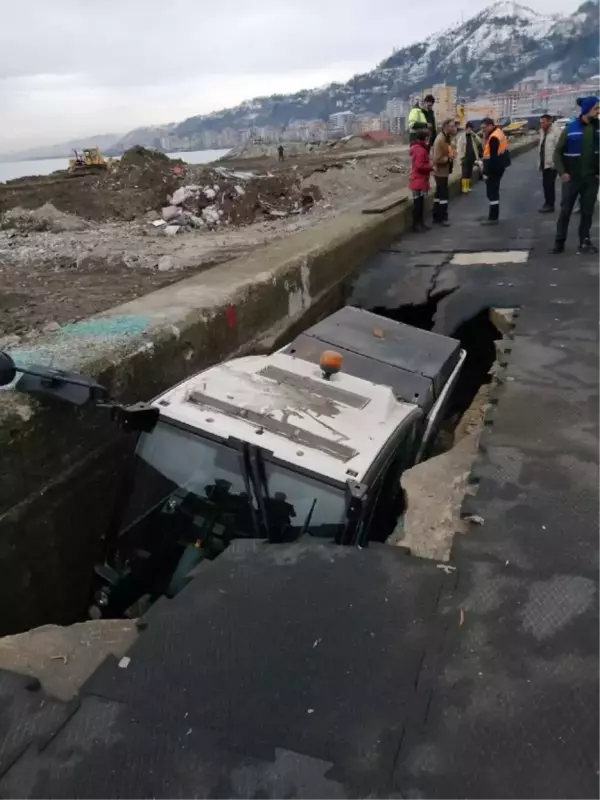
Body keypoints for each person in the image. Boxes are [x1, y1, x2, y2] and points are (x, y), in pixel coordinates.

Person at [552, 96, 600, 254]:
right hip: (572, 178)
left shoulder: (598, 128)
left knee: (587, 211)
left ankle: (584, 241)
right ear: (587, 110)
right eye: (596, 108)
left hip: (591, 178)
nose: (598, 111)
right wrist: (562, 172)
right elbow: (557, 153)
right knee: (565, 210)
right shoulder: (570, 128)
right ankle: (559, 242)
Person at [479, 117, 509, 225]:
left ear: (490, 125)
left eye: (484, 127)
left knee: (491, 193)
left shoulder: (493, 138)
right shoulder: (499, 132)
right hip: (500, 166)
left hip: (494, 168)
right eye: (481, 128)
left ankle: (493, 217)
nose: (483, 130)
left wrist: (486, 173)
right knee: (494, 192)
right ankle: (493, 215)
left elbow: (492, 158)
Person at [431, 119, 456, 226]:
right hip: (440, 172)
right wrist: (448, 158)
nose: (453, 128)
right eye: (451, 126)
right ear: (446, 126)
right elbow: (436, 159)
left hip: (444, 171)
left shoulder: (447, 138)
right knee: (443, 196)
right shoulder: (440, 139)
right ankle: (442, 218)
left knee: (439, 194)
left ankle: (437, 216)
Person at [409, 129, 433, 232]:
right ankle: (417, 225)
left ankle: (419, 224)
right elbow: (419, 166)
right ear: (426, 138)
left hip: (418, 179)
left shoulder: (417, 148)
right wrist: (430, 167)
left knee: (419, 202)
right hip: (419, 180)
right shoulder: (421, 150)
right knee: (418, 204)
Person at [538, 113, 561, 213]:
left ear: (549, 122)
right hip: (544, 163)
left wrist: (555, 163)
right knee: (545, 184)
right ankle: (547, 203)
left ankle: (550, 205)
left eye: (543, 122)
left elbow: (559, 149)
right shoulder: (542, 132)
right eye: (540, 123)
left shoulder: (556, 132)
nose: (541, 124)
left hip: (551, 164)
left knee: (549, 185)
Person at [456, 121, 482, 193]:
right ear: (466, 128)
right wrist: (461, 157)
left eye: (471, 129)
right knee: (465, 172)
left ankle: (468, 186)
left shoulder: (473, 136)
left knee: (470, 172)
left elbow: (479, 141)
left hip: (472, 157)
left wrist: (474, 135)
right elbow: (459, 147)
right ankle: (464, 187)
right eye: (469, 128)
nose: (470, 130)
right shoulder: (462, 137)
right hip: (465, 157)